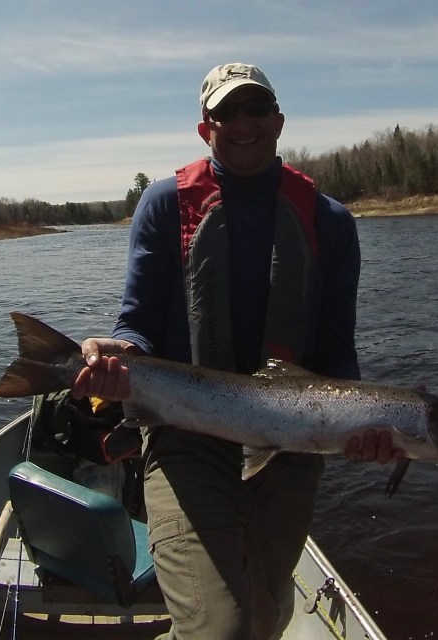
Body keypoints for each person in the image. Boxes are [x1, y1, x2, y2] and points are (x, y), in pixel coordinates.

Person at [72, 62, 401, 639]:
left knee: (265, 614)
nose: (243, 123)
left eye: (256, 108)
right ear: (206, 129)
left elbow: (336, 356)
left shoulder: (332, 221)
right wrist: (116, 353)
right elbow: (138, 326)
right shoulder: (163, 204)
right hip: (186, 439)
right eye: (227, 112)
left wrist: (362, 427)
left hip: (293, 445)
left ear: (278, 120)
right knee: (219, 628)